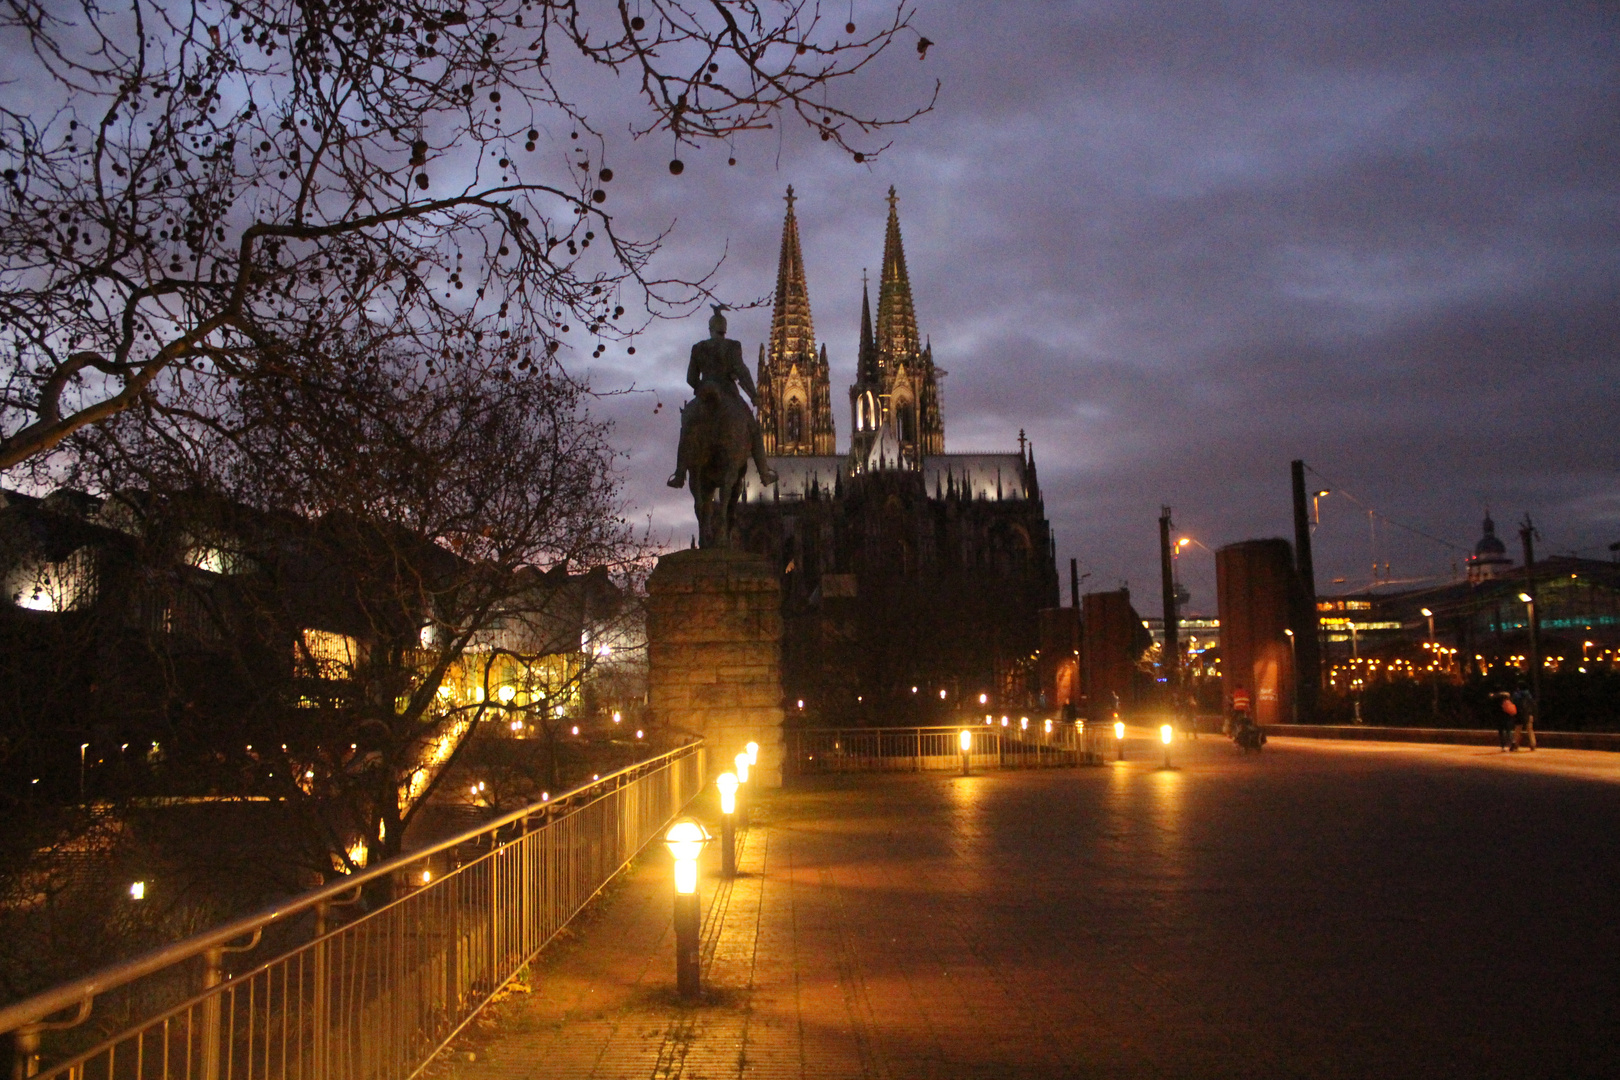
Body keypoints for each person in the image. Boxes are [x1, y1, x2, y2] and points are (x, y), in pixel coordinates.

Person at [667, 305, 777, 489]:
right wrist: (753, 395)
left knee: (686, 427)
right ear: (724, 330)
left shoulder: (699, 348)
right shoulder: (733, 346)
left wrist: (701, 388)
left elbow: (690, 378)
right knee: (754, 429)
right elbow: (742, 371)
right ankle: (764, 474)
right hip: (729, 393)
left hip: (704, 394)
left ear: (710, 329)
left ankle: (679, 474)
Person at [1513, 687, 1537, 751]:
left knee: (1517, 730)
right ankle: (1533, 744)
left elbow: (1514, 704)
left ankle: (1515, 745)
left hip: (1519, 714)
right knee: (1530, 730)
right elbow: (1533, 705)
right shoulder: (1529, 695)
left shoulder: (1516, 695)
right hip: (1528, 714)